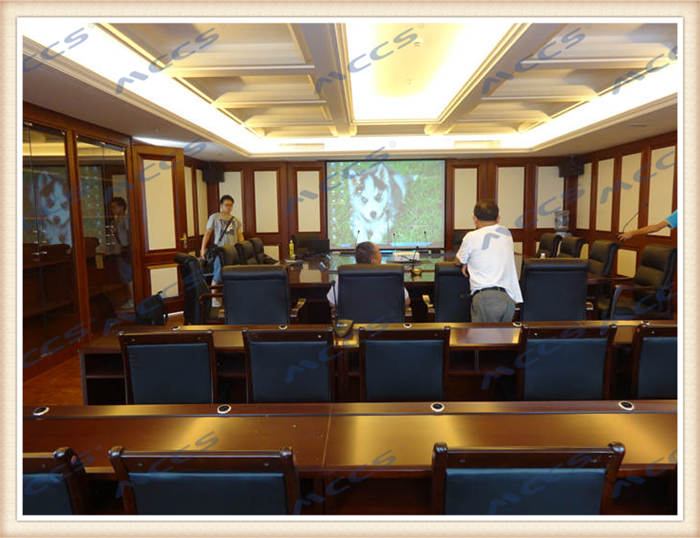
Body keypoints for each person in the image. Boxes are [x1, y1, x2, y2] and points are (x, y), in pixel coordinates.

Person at [455, 200, 523, 322]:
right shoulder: (506, 233)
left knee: (483, 335)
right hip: (508, 299)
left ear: (474, 218)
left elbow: (458, 260)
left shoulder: (471, 237)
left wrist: (466, 262)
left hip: (486, 299)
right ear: (498, 218)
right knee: (504, 335)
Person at [327, 241, 410, 307]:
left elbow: (332, 303)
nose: (381, 255)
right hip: (386, 322)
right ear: (373, 260)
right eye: (379, 252)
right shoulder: (391, 275)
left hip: (353, 322)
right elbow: (406, 301)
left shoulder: (345, 275)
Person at [200, 195, 245, 306]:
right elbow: (208, 233)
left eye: (231, 205)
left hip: (233, 251)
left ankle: (230, 299)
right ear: (221, 205)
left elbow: (240, 235)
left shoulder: (235, 220)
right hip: (220, 251)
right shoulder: (215, 217)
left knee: (232, 275)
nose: (229, 207)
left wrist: (243, 248)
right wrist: (202, 248)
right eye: (226, 205)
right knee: (218, 274)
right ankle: (214, 298)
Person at [108, 197, 133, 309]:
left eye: (114, 207)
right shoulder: (116, 220)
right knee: (124, 276)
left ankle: (133, 299)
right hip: (119, 251)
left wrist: (126, 247)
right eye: (111, 207)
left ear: (122, 207)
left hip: (125, 250)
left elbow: (129, 233)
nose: (112, 209)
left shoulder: (125, 219)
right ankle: (130, 298)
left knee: (128, 276)